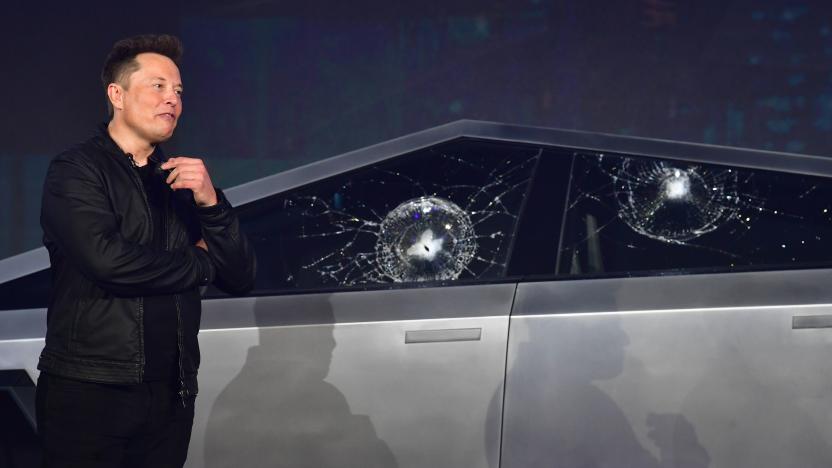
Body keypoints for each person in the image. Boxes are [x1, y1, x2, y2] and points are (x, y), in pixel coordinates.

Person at [35, 34, 256, 468]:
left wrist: (211, 202)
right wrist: (200, 261)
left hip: (171, 393)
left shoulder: (183, 179)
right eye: (158, 86)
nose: (171, 99)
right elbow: (109, 262)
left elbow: (240, 275)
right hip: (91, 388)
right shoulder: (76, 170)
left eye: (178, 91)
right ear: (116, 94)